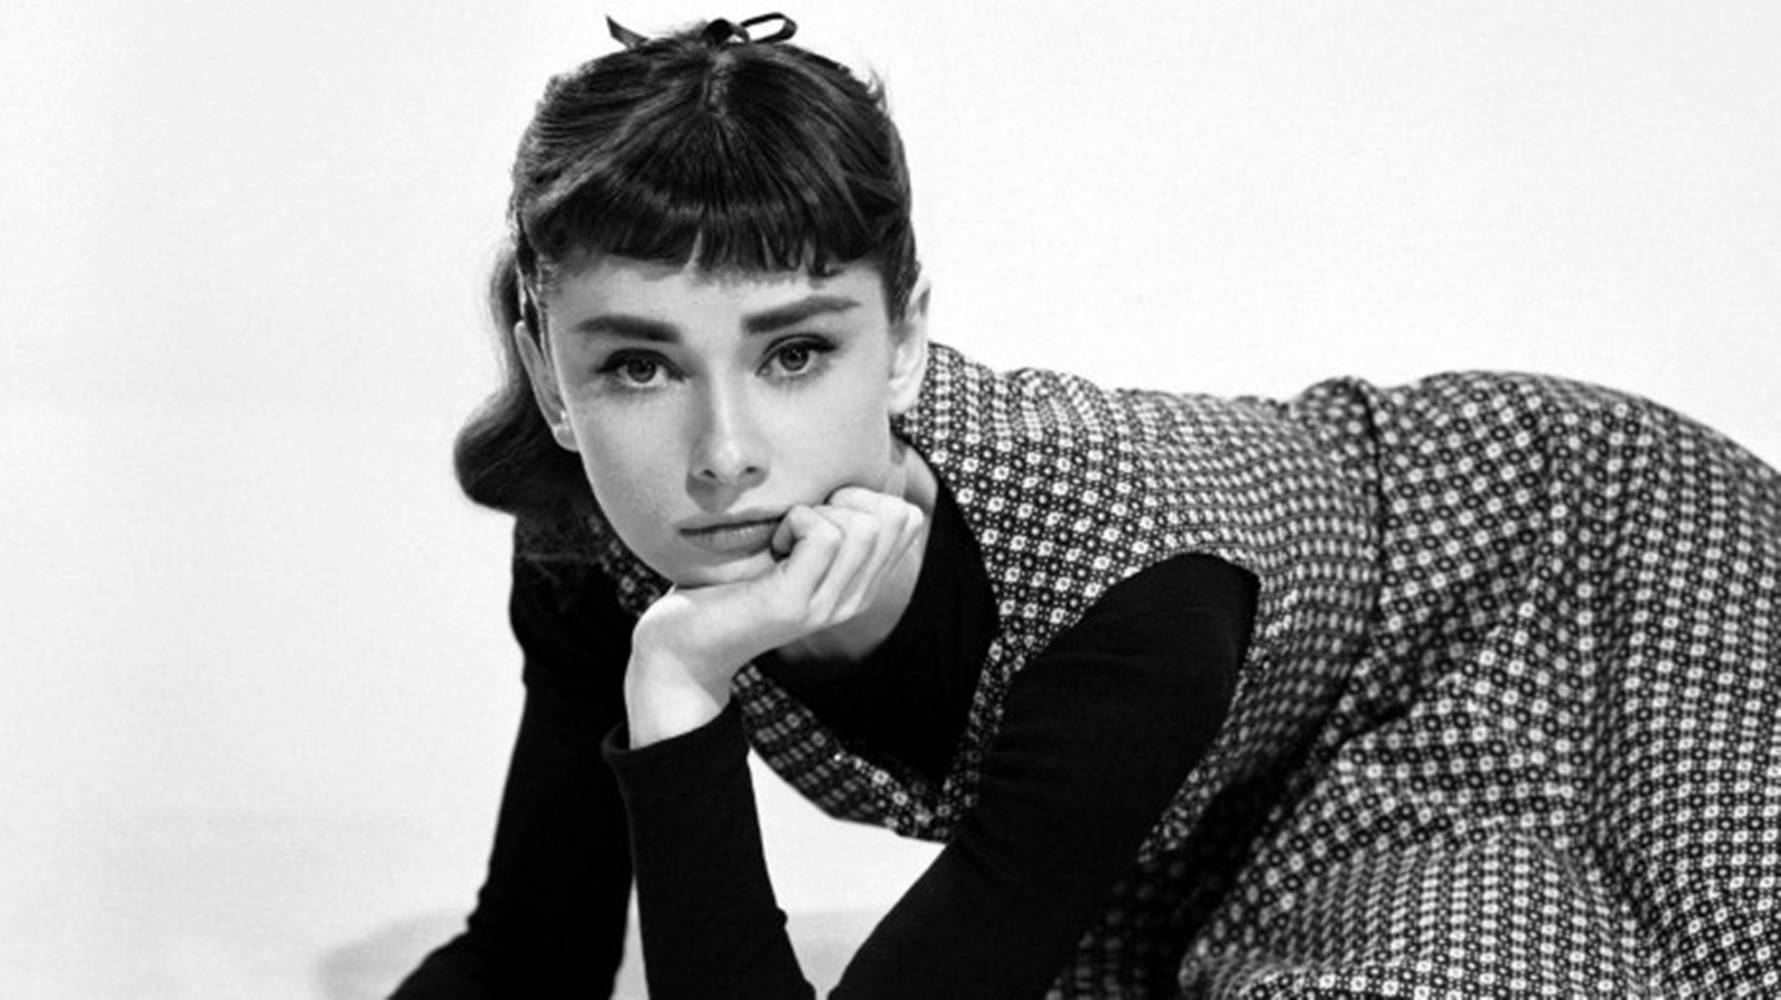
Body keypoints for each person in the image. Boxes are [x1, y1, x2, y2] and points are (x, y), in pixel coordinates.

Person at [392, 14, 1781, 999]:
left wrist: (683, 685)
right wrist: (672, 674)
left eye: (795, 350)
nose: (723, 453)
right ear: (548, 375)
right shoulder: (593, 548)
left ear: (909, 339)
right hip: (1220, 783)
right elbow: (532, 958)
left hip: (1565, 588)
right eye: (637, 365)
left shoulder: (1125, 590)